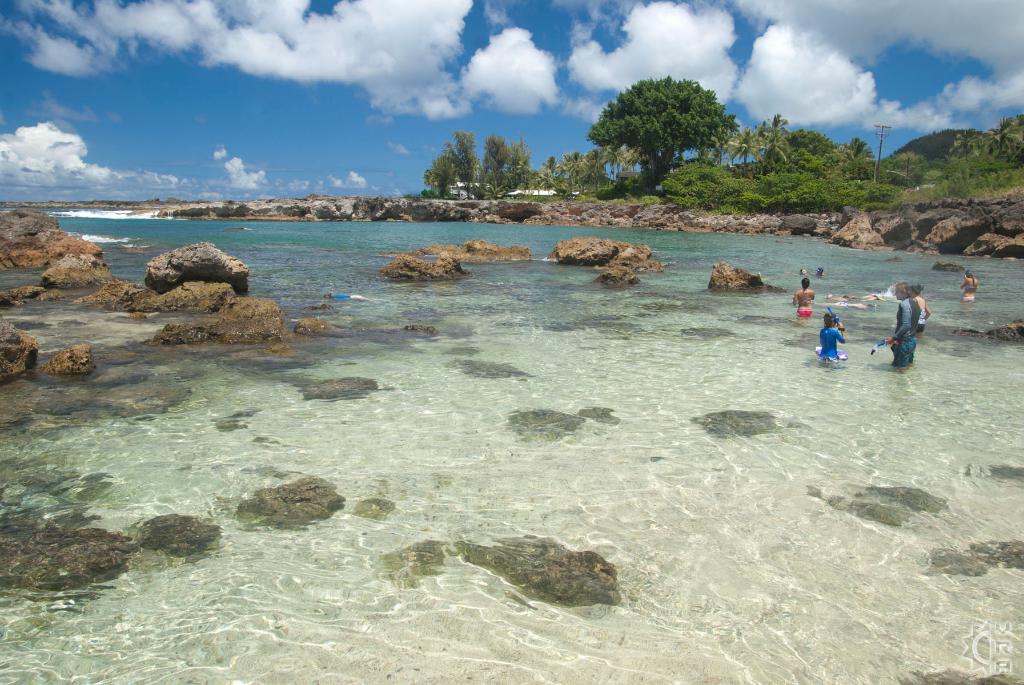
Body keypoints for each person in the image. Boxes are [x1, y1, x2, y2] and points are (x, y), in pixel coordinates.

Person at [885, 282, 921, 368]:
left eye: (896, 291)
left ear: (903, 292)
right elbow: (915, 323)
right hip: (912, 340)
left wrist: (893, 338)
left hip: (904, 343)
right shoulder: (915, 303)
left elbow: (906, 325)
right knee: (908, 367)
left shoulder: (904, 304)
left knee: (898, 370)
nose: (894, 294)